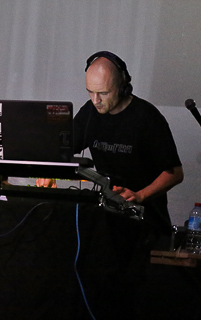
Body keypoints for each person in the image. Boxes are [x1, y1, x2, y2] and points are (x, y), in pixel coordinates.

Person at [38, 50, 183, 240]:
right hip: (108, 221)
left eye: (103, 93)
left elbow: (175, 173)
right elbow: (61, 150)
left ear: (123, 87)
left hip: (147, 225)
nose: (95, 100)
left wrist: (139, 195)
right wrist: (48, 173)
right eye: (90, 92)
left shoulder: (147, 118)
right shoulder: (89, 112)